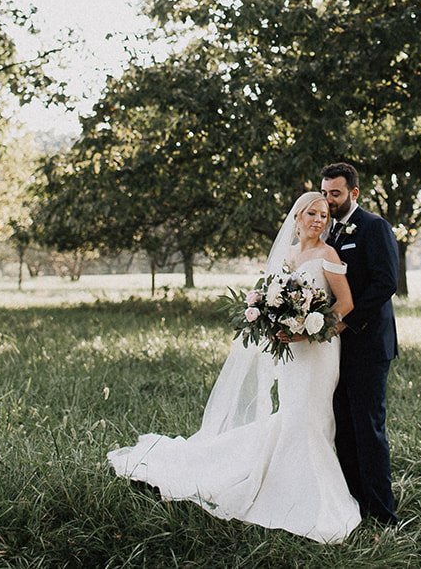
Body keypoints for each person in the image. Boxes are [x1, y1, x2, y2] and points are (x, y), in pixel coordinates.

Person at [107, 192, 362, 543]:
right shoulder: (287, 255)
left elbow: (345, 304)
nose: (319, 220)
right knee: (290, 415)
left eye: (324, 215)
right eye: (312, 213)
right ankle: (278, 481)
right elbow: (276, 301)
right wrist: (279, 325)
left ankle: (315, 494)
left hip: (318, 350)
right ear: (298, 217)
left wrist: (312, 330)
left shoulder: (327, 255)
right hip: (291, 350)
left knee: (312, 419)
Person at [320, 161, 400, 526]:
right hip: (334, 351)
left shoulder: (373, 227)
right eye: (324, 193)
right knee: (344, 428)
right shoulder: (326, 233)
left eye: (335, 194)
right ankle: (353, 504)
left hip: (368, 346)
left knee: (369, 428)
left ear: (353, 193)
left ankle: (383, 513)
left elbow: (385, 283)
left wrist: (344, 321)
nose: (328, 200)